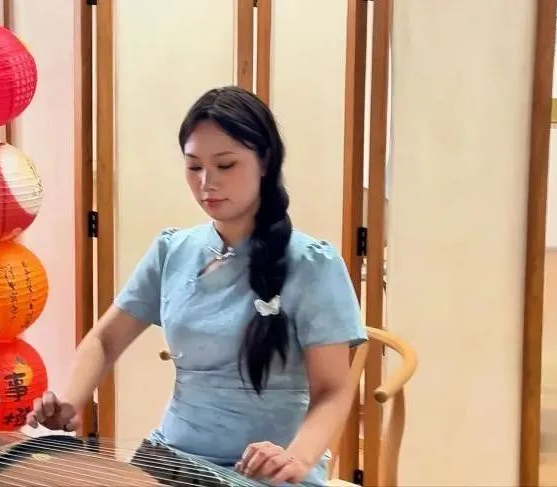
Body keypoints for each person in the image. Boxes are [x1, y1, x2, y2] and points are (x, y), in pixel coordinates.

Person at [26, 86, 367, 486]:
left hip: (268, 469)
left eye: (225, 165)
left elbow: (332, 390)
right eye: (194, 167)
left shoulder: (312, 263)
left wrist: (297, 457)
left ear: (265, 161)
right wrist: (70, 400)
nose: (207, 183)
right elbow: (106, 338)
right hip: (172, 458)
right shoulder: (172, 250)